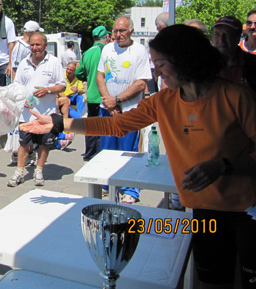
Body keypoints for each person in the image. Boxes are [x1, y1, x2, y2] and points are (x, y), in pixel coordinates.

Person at [21, 24, 256, 289]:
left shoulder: (236, 97)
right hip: (206, 213)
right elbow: (115, 125)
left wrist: (224, 165)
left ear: (184, 59)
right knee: (213, 281)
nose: (157, 72)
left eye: (161, 64)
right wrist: (60, 123)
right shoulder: (164, 101)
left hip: (247, 211)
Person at [96, 16, 151, 203]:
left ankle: (131, 189)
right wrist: (108, 102)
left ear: (131, 32)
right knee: (107, 151)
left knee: (129, 152)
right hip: (108, 110)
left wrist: (118, 100)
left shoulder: (139, 51)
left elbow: (141, 83)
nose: (118, 35)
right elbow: (100, 76)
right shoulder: (107, 49)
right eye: (115, 31)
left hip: (130, 110)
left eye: (122, 31)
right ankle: (107, 185)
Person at [8, 32, 65, 187]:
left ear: (45, 46)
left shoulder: (53, 62)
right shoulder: (23, 63)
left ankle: (39, 171)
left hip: (46, 114)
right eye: (32, 45)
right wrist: (21, 99)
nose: (35, 48)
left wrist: (47, 90)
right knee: (24, 144)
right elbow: (17, 85)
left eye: (38, 45)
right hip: (26, 115)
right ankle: (19, 172)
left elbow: (62, 85)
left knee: (44, 144)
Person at [75, 25, 109, 161]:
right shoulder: (107, 51)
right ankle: (99, 154)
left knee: (90, 126)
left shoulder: (87, 53)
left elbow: (79, 72)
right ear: (105, 37)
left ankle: (89, 153)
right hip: (104, 95)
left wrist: (88, 77)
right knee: (102, 127)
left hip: (91, 96)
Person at [212, 16, 256, 92]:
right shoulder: (204, 64)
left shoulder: (253, 64)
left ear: (237, 37)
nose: (221, 40)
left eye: (227, 34)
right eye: (217, 34)